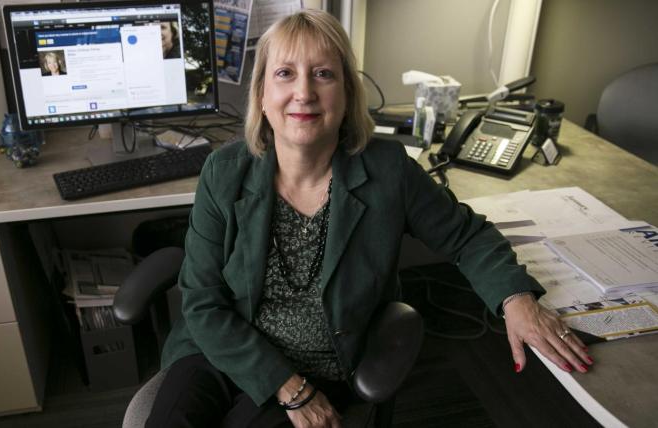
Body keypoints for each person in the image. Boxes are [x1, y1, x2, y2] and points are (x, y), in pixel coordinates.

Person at [146, 9, 594, 428]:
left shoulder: (387, 171)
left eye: (323, 74)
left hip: (322, 365)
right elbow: (202, 302)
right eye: (285, 74)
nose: (304, 92)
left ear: (346, 95)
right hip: (220, 350)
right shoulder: (224, 172)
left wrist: (516, 299)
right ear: (263, 95)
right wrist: (287, 388)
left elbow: (466, 236)